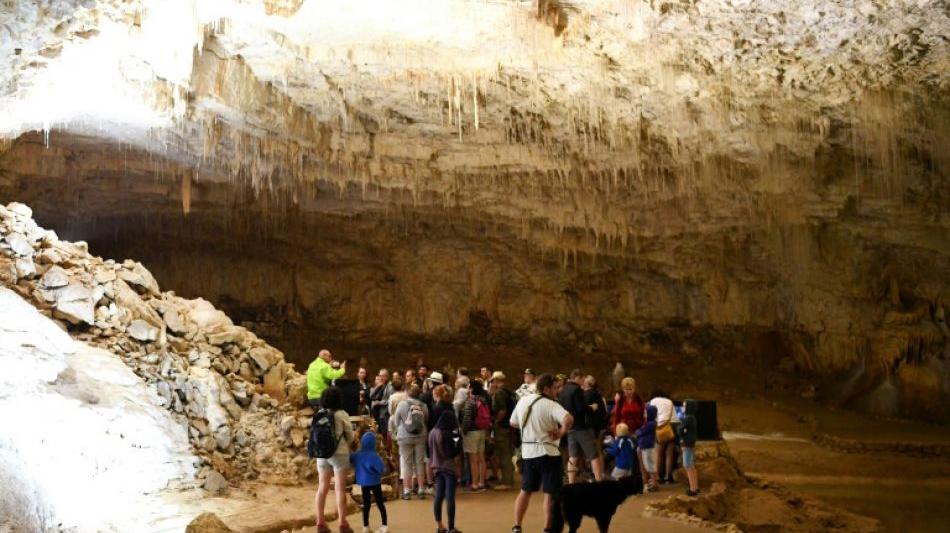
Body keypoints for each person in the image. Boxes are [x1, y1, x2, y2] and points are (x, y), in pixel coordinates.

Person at [509, 373, 574, 533]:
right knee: (550, 493)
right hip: (548, 453)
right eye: (554, 388)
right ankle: (547, 528)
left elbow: (513, 422)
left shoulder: (523, 401)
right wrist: (560, 432)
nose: (557, 391)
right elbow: (568, 419)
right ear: (546, 389)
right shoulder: (551, 404)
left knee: (525, 490)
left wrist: (531, 429)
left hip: (528, 453)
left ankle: (517, 526)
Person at [315, 387, 355, 533]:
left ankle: (320, 522)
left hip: (321, 454)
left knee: (322, 487)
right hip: (339, 454)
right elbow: (350, 437)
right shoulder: (342, 414)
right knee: (339, 489)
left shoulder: (319, 414)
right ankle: (343, 523)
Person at [558, 369, 604, 483]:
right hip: (582, 427)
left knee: (572, 456)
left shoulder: (563, 391)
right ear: (578, 377)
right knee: (593, 454)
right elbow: (580, 408)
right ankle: (599, 480)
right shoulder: (576, 389)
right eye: (582, 379)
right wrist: (591, 408)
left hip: (570, 428)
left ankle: (571, 482)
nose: (584, 381)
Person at [429, 410, 463, 533]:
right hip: (449, 469)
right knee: (450, 498)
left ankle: (439, 525)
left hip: (436, 467)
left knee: (438, 497)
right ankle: (451, 528)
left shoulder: (432, 432)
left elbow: (430, 452)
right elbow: (452, 453)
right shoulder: (449, 434)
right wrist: (458, 440)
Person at [394, 383, 429, 500]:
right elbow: (426, 420)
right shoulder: (423, 405)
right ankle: (421, 490)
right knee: (419, 462)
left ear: (407, 392)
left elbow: (396, 421)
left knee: (406, 463)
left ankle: (407, 491)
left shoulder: (401, 404)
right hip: (421, 436)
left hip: (404, 437)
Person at [350, 431, 388, 533]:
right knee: (380, 503)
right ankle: (384, 525)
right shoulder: (375, 456)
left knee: (366, 505)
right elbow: (381, 469)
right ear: (374, 443)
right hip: (375, 482)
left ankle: (366, 526)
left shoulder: (358, 454)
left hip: (364, 483)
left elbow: (350, 458)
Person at [461, 380, 491, 492]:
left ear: (472, 389)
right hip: (482, 431)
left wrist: (463, 431)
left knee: (473, 460)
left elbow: (467, 419)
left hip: (472, 433)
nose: (467, 389)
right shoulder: (483, 400)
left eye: (469, 387)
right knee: (481, 458)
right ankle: (482, 482)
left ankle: (474, 484)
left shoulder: (470, 402)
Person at [489, 371, 515, 490]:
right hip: (509, 426)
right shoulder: (509, 391)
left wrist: (496, 421)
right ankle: (508, 479)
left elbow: (502, 411)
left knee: (504, 454)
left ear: (496, 380)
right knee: (507, 453)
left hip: (503, 426)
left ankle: (507, 482)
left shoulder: (500, 393)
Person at [649, 388, 678, 484]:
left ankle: (658, 477)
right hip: (674, 426)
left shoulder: (653, 401)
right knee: (669, 453)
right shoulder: (669, 401)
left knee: (658, 453)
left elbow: (650, 413)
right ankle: (668, 477)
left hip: (663, 427)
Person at [678, 399, 700, 496]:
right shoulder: (692, 418)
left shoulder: (688, 418)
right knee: (690, 466)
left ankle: (693, 489)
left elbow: (680, 430)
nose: (682, 408)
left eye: (684, 406)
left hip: (687, 444)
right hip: (689, 443)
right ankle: (695, 487)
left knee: (688, 465)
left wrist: (681, 430)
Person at [634, 406, 658, 490]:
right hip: (644, 447)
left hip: (648, 447)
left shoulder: (651, 424)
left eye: (645, 412)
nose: (644, 414)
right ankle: (652, 482)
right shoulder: (649, 423)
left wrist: (637, 431)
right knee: (648, 465)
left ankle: (654, 484)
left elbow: (640, 432)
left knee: (650, 465)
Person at [369, 370, 393, 439]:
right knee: (381, 435)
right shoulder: (381, 386)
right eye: (380, 376)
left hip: (386, 414)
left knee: (386, 435)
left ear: (387, 377)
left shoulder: (390, 386)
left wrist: (379, 402)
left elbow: (390, 400)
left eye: (383, 376)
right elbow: (371, 396)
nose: (381, 378)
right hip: (379, 414)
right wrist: (377, 386)